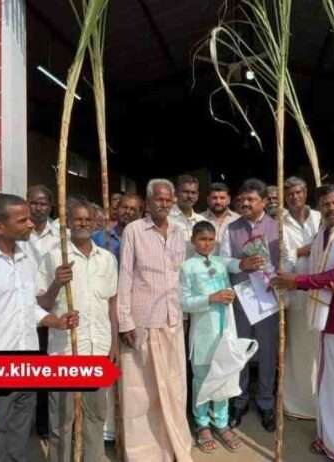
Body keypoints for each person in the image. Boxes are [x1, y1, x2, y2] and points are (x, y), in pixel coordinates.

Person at [0, 193, 78, 462]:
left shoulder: (25, 259)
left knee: (18, 449)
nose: (31, 224)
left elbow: (26, 306)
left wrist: (54, 321)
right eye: (22, 220)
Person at [273, 184, 334, 461]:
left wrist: (296, 281)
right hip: (327, 320)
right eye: (326, 204)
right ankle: (330, 439)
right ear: (319, 207)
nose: (332, 208)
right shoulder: (324, 233)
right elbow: (311, 264)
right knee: (329, 384)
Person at [117, 179, 193, 461]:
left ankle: (173, 444)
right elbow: (125, 275)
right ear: (148, 203)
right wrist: (125, 320)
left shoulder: (179, 232)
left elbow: (179, 275)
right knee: (141, 392)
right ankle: (143, 452)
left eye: (168, 199)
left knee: (174, 387)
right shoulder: (134, 231)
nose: (164, 204)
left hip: (172, 319)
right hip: (142, 321)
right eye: (159, 199)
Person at [38, 200, 119, 462]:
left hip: (98, 349)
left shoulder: (107, 259)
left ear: (96, 223)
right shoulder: (55, 257)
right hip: (65, 352)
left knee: (95, 416)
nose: (83, 223)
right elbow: (40, 304)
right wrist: (56, 283)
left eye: (88, 219)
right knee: (62, 422)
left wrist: (114, 344)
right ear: (68, 223)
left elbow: (112, 303)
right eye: (78, 219)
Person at [220, 178, 281, 432]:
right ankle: (240, 399)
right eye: (242, 199)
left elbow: (288, 259)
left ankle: (266, 402)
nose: (245, 203)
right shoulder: (231, 229)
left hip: (268, 298)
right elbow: (222, 260)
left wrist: (275, 275)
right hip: (241, 297)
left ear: (264, 201)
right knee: (241, 349)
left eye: (251, 199)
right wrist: (240, 265)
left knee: (267, 352)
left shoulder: (278, 227)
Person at [180, 221, 243, 454]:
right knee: (202, 378)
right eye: (202, 239)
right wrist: (211, 298)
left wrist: (229, 295)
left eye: (210, 239)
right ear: (193, 241)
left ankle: (221, 422)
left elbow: (235, 269)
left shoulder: (219, 263)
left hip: (225, 330)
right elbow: (183, 302)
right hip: (203, 333)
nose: (207, 244)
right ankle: (202, 423)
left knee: (223, 376)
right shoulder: (187, 267)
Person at [281, 176, 321, 420]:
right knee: (298, 350)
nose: (295, 197)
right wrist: (301, 251)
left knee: (320, 350)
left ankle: (321, 403)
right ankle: (297, 404)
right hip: (295, 293)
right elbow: (280, 256)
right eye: (290, 194)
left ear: (306, 193)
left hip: (321, 291)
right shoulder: (280, 222)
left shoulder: (320, 217)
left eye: (298, 192)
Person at [26, 184, 61, 439]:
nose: (39, 208)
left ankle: (44, 424)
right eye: (34, 203)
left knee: (48, 368)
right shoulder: (19, 233)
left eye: (44, 203)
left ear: (51, 206)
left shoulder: (61, 234)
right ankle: (24, 422)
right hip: (25, 308)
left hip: (53, 308)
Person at [92, 193, 143, 262]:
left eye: (132, 209)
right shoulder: (98, 237)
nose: (127, 211)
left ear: (140, 213)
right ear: (117, 209)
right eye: (124, 207)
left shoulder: (144, 239)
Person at [170, 174, 208, 257]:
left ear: (197, 195)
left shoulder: (202, 221)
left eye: (193, 193)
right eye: (185, 192)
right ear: (176, 193)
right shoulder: (166, 219)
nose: (190, 196)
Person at [201, 182, 240, 248]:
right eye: (214, 198)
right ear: (208, 200)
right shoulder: (199, 219)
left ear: (229, 200)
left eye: (222, 198)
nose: (218, 202)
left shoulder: (238, 220)